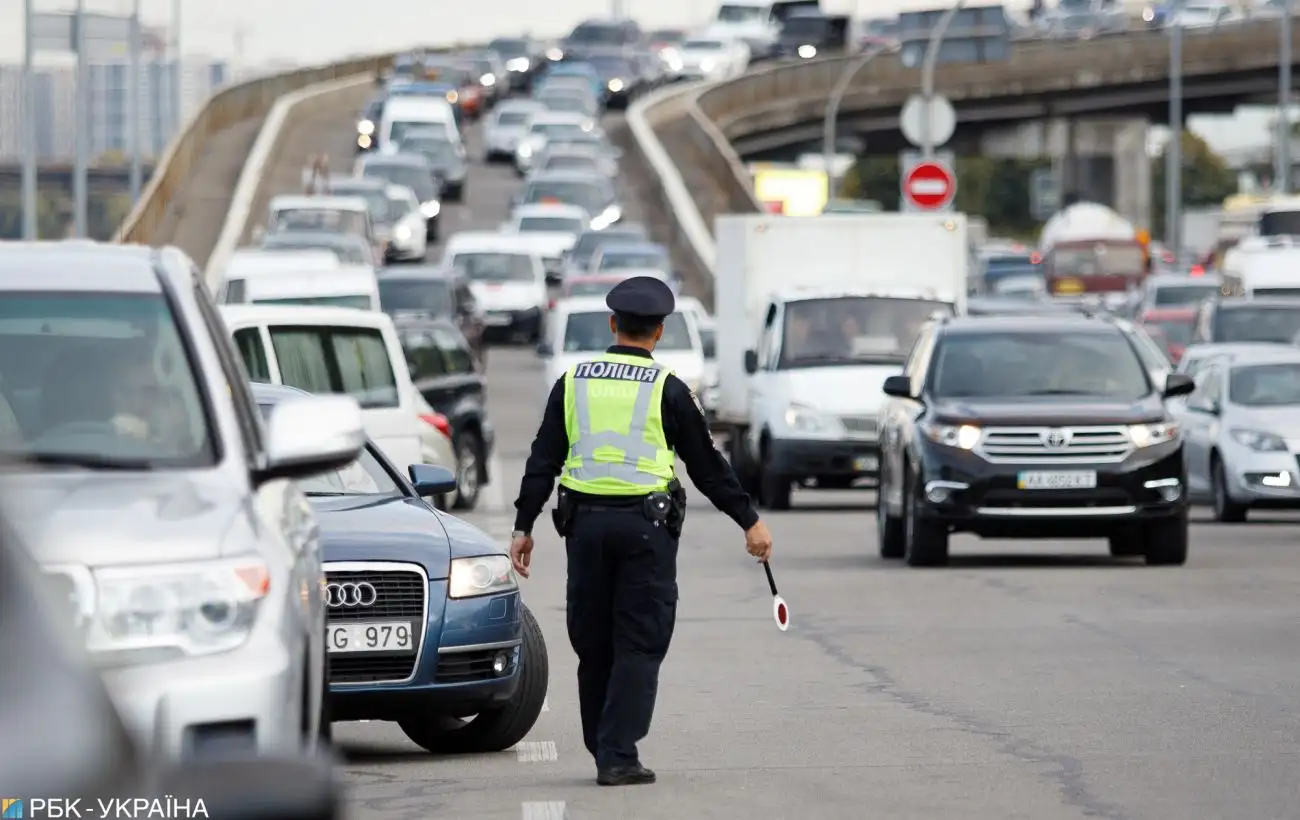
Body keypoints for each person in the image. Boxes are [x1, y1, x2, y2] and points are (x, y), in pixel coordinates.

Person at [510, 276, 773, 787]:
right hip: (645, 531)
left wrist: (524, 525)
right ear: (659, 332)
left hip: (584, 529)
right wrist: (750, 520)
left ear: (613, 325)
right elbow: (707, 466)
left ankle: (604, 744)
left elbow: (543, 458)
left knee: (593, 638)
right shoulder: (669, 389)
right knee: (639, 638)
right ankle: (617, 752)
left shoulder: (573, 381)